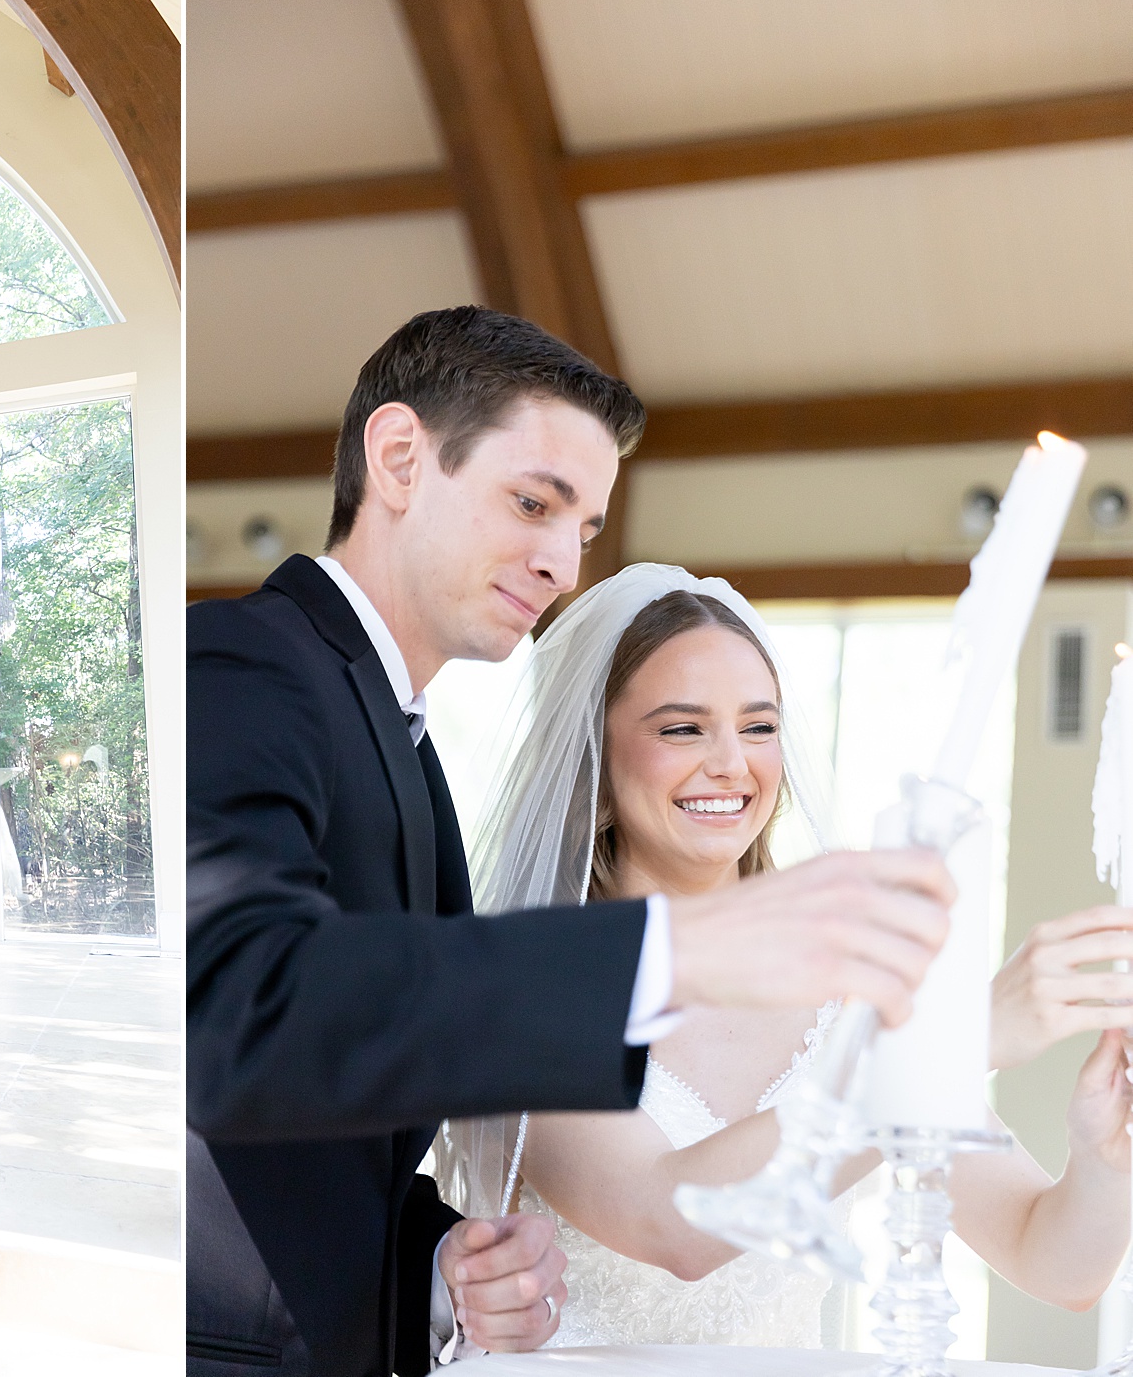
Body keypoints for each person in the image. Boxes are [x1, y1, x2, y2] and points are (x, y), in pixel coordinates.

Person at [187, 307, 956, 1377]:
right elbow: (235, 1007)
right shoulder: (244, 663)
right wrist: (676, 950)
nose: (559, 561)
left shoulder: (401, 745)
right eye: (532, 503)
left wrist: (437, 1261)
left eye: (583, 529)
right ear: (400, 456)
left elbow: (322, 1133)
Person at [431, 568, 1132, 1345]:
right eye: (681, 728)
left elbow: (1055, 1263)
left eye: (759, 727)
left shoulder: (852, 992)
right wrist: (957, 1043)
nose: (733, 763)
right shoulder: (538, 991)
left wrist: (1105, 1156)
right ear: (596, 770)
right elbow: (673, 1225)